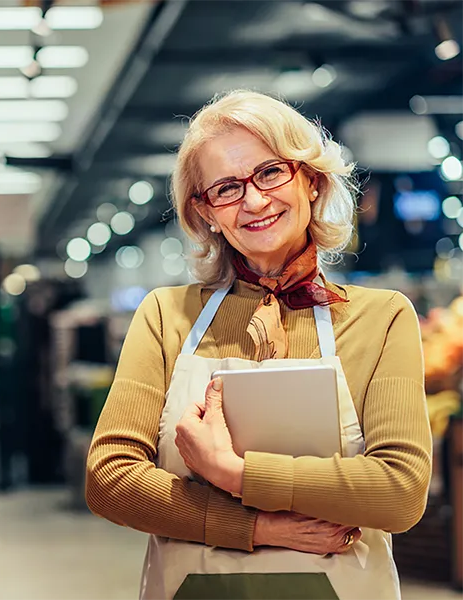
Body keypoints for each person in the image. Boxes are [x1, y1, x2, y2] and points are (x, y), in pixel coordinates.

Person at [85, 90, 432, 600]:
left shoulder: (382, 318)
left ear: (310, 180)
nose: (253, 201)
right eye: (226, 188)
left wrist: (234, 473)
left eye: (270, 172)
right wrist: (258, 527)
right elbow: (110, 480)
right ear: (205, 213)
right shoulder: (165, 315)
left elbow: (400, 492)